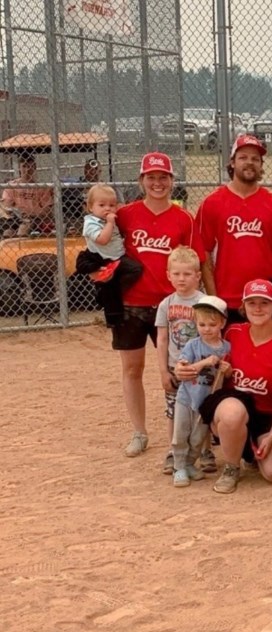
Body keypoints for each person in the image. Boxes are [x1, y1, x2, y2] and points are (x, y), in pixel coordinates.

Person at [115, 152, 205, 458]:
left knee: (178, 368)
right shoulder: (125, 214)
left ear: (171, 181)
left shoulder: (183, 218)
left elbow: (197, 262)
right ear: (141, 181)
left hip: (172, 306)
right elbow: (101, 250)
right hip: (131, 303)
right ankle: (139, 432)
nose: (157, 183)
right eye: (151, 177)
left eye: (163, 177)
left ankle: (182, 433)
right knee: (132, 368)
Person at [197, 279, 272, 494]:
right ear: (243, 307)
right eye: (252, 303)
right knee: (233, 413)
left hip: (266, 414)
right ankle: (232, 466)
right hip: (231, 407)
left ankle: (250, 450)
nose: (258, 308)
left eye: (264, 302)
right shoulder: (232, 333)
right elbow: (199, 351)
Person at [197, 134, 272, 330]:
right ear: (232, 162)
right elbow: (203, 252)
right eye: (243, 157)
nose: (249, 163)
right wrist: (213, 295)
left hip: (265, 297)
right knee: (227, 358)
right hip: (227, 298)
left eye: (255, 159)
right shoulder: (212, 203)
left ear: (261, 165)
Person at [155, 247, 216, 476]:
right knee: (173, 411)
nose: (181, 279)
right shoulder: (166, 304)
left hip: (200, 367)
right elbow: (161, 339)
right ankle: (174, 451)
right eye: (177, 273)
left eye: (187, 274)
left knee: (202, 410)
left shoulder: (205, 303)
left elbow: (212, 336)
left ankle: (205, 451)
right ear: (168, 274)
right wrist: (163, 371)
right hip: (175, 366)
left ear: (198, 276)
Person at [170, 295, 230, 488]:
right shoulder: (192, 345)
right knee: (181, 433)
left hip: (207, 401)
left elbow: (228, 375)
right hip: (187, 398)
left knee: (198, 437)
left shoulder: (227, 347)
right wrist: (205, 361)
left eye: (212, 325)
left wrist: (227, 369)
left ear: (222, 323)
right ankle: (178, 466)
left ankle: (189, 464)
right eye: (202, 324)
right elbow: (185, 368)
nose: (207, 329)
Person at [80, 183, 144, 327]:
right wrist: (110, 223)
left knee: (134, 270)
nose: (107, 208)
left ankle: (112, 289)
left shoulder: (108, 219)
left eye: (111, 205)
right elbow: (102, 240)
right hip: (104, 259)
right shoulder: (91, 222)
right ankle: (110, 294)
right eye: (102, 205)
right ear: (91, 207)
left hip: (117, 256)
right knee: (135, 269)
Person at [1, 154, 53, 237]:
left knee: (23, 228)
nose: (27, 169)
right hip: (16, 219)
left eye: (30, 166)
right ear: (19, 168)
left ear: (34, 167)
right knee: (7, 233)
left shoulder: (42, 187)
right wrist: (20, 212)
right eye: (24, 166)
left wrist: (29, 213)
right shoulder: (11, 186)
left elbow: (47, 210)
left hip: (35, 219)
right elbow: (7, 206)